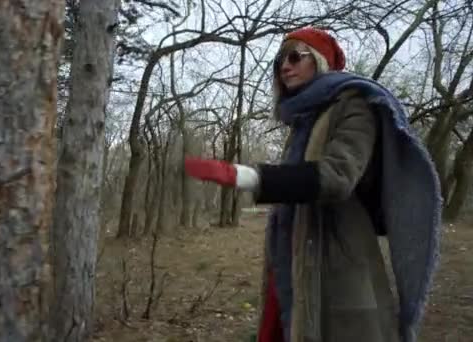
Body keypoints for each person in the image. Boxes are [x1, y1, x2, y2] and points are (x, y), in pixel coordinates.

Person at [184, 27, 442, 342]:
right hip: (293, 256)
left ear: (319, 61)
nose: (284, 66)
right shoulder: (304, 119)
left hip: (336, 260)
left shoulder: (354, 106)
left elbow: (337, 177)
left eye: (295, 56)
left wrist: (246, 176)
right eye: (280, 59)